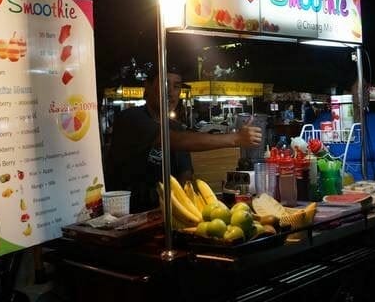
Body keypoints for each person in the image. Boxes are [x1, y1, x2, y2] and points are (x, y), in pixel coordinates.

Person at [105, 65, 262, 213]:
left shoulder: (176, 127)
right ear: (148, 85)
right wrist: (235, 138)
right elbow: (172, 140)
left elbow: (185, 175)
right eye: (165, 84)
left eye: (176, 86)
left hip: (166, 212)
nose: (171, 92)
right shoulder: (131, 118)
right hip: (128, 213)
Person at [314, 82, 375, 185]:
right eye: (361, 88)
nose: (366, 92)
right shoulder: (324, 122)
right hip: (335, 189)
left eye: (367, 88)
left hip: (374, 190)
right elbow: (305, 152)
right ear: (347, 93)